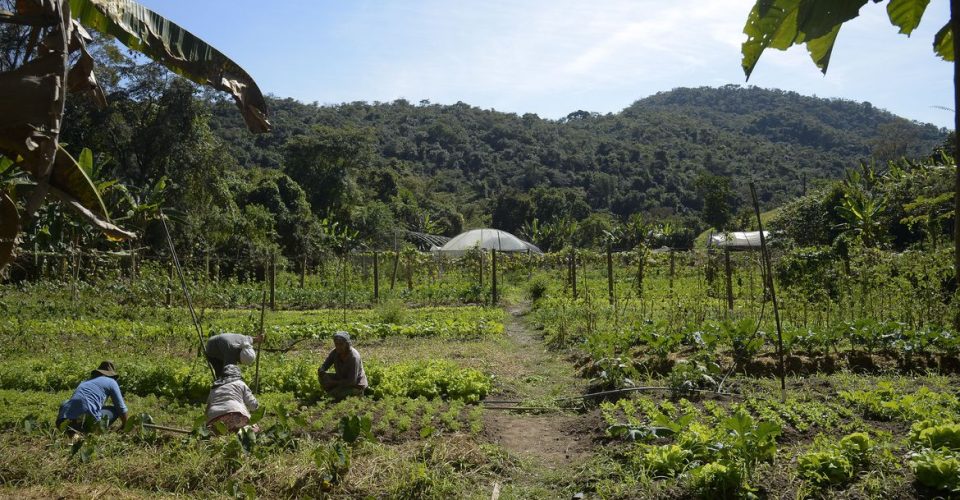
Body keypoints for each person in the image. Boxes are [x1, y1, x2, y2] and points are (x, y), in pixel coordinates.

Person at [56, 360, 128, 433]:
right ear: (111, 375)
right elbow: (121, 407)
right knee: (115, 410)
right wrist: (125, 426)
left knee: (66, 402)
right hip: (87, 423)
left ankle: (69, 430)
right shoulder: (111, 381)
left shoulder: (85, 382)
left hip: (63, 422)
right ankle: (92, 430)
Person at [205, 364, 259, 434]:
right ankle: (240, 432)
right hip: (235, 414)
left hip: (214, 419)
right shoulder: (240, 384)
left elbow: (207, 408)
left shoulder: (214, 388)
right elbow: (253, 405)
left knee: (219, 432)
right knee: (254, 428)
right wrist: (256, 410)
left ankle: (222, 432)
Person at [317, 331, 367, 401]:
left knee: (332, 396)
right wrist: (322, 370)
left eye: (341, 344)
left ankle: (357, 394)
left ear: (347, 344)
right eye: (336, 344)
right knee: (323, 378)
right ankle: (336, 391)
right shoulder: (335, 352)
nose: (338, 346)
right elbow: (326, 365)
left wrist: (333, 383)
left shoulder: (353, 357)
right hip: (341, 378)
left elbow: (352, 381)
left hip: (355, 385)